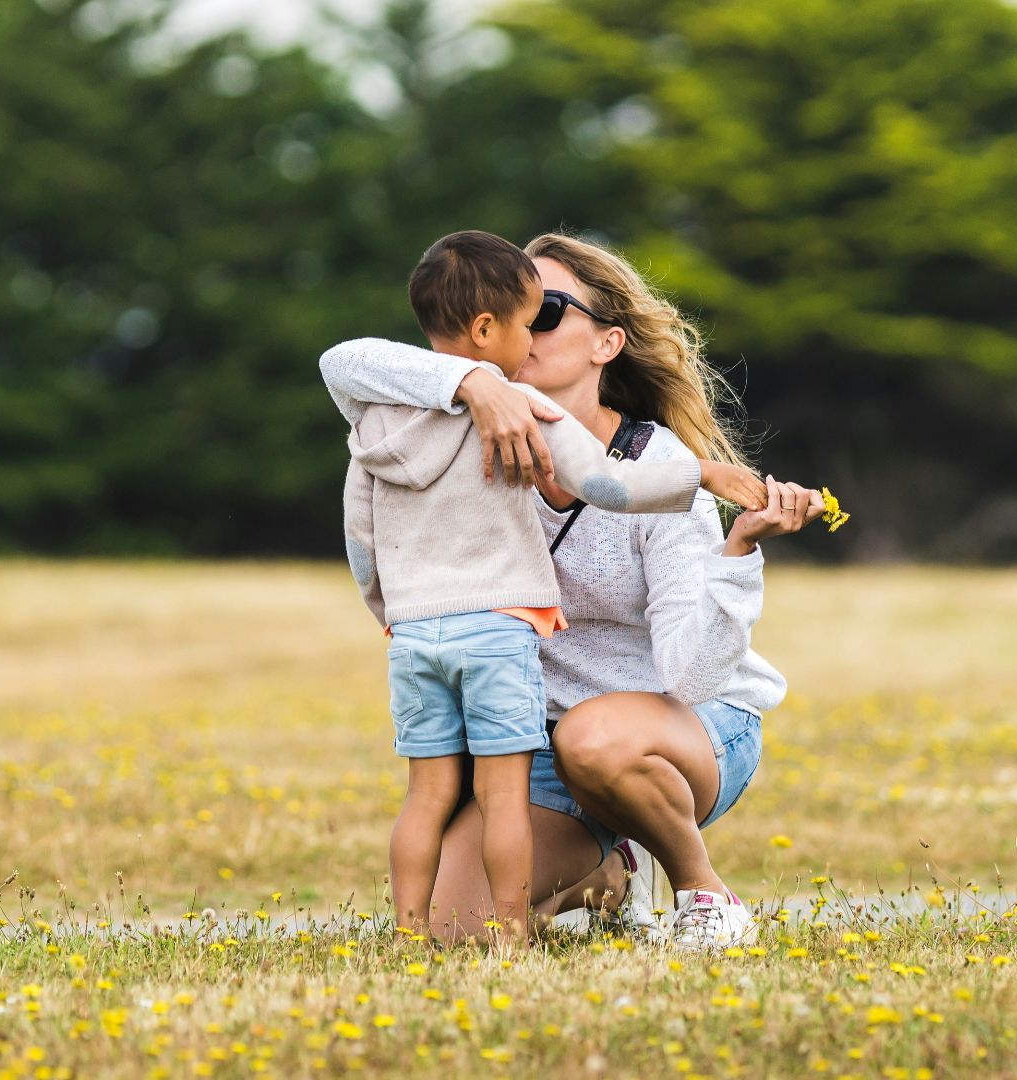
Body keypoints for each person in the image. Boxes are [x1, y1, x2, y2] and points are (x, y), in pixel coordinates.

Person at [323, 232, 825, 948]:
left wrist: (737, 551)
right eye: (512, 307)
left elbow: (692, 676)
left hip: (682, 731)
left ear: (607, 343)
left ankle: (702, 892)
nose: (525, 325)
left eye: (547, 310)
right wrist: (473, 384)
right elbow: (343, 364)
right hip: (540, 740)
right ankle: (608, 878)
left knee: (597, 737)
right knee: (454, 929)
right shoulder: (460, 434)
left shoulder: (657, 470)